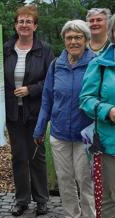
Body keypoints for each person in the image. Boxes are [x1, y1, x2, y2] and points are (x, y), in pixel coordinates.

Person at [34, 20, 96, 218]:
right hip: (59, 133)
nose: (73, 41)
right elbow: (47, 99)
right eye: (69, 37)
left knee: (85, 180)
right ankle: (71, 215)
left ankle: (89, 215)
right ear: (64, 41)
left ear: (86, 40)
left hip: (85, 134)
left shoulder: (95, 64)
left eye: (78, 37)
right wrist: (40, 127)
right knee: (65, 180)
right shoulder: (56, 65)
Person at [4, 5, 54, 216]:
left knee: (36, 156)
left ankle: (41, 199)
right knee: (18, 157)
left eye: (28, 21)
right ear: (15, 25)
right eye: (20, 21)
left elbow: (51, 80)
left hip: (35, 112)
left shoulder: (45, 50)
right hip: (13, 113)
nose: (24, 25)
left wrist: (31, 89)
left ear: (35, 25)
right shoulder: (6, 48)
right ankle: (21, 200)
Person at [79, 14, 115, 217]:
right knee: (110, 200)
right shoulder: (100, 64)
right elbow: (85, 99)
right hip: (110, 144)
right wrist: (107, 111)